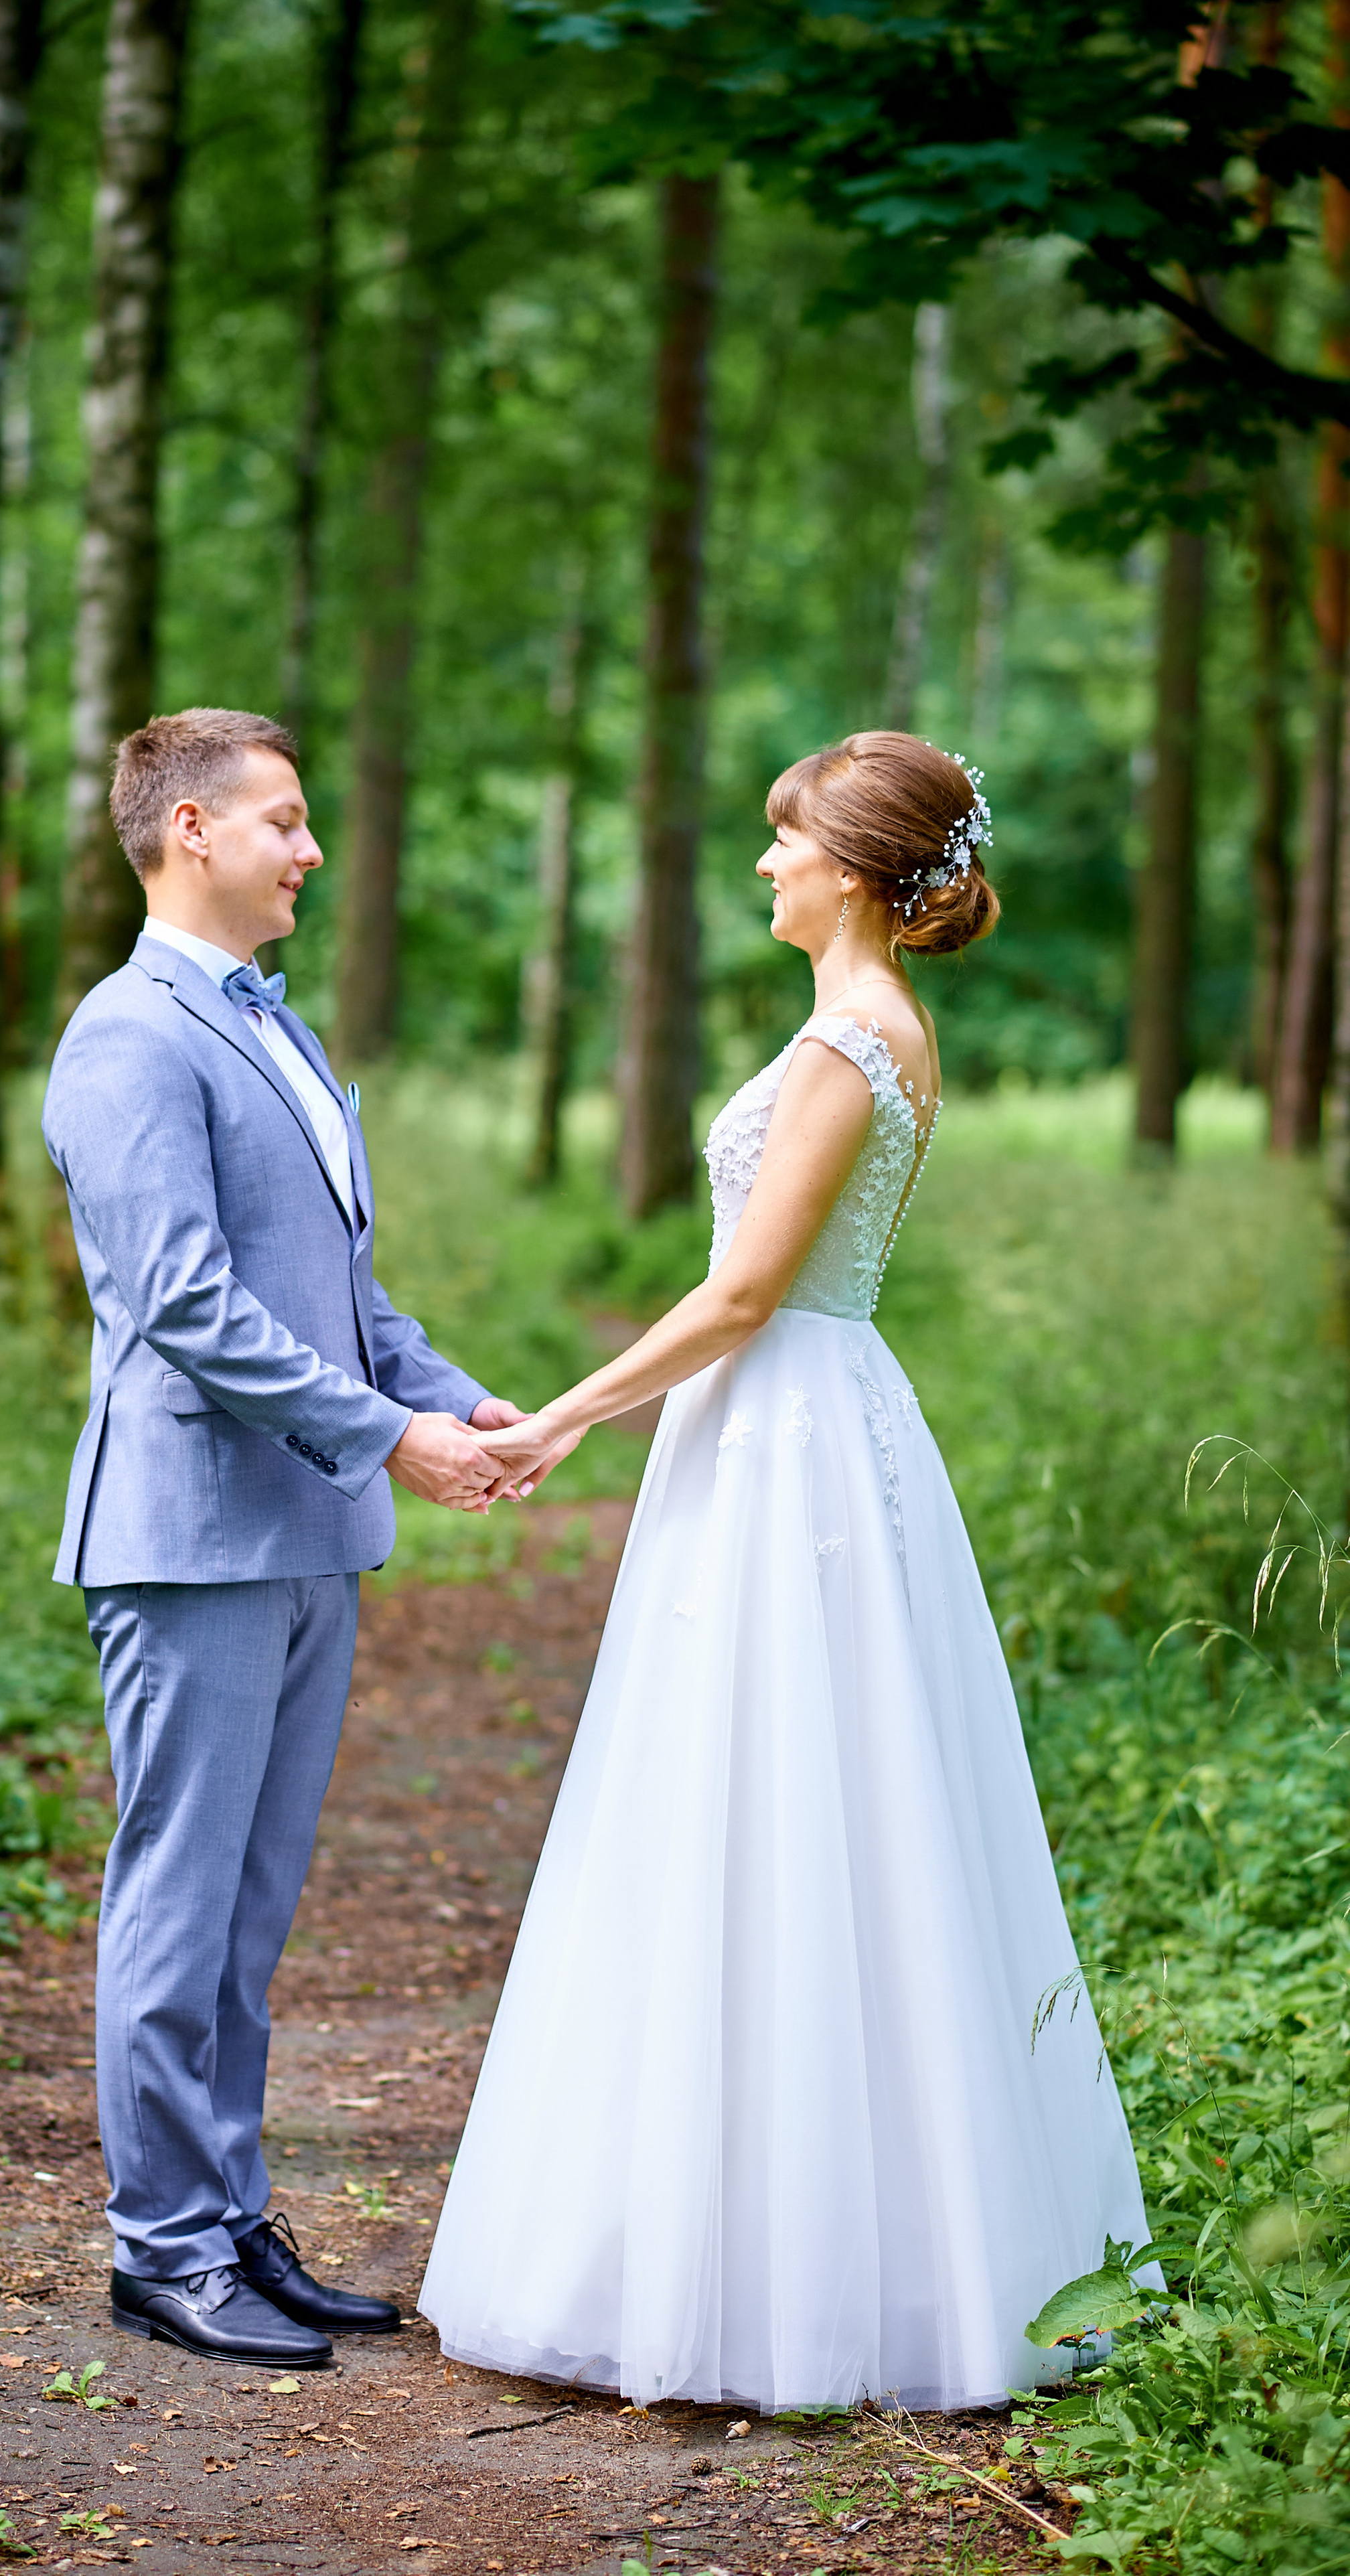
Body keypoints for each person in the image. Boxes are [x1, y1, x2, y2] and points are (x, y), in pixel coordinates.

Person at [420, 732, 1151, 2414]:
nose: (761, 864)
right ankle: (736, 2237)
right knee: (765, 1803)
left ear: (852, 862)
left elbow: (744, 1293)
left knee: (788, 1805)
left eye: (784, 840)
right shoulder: (865, 1027)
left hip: (788, 1428)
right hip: (786, 1427)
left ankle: (778, 2276)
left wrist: (567, 1422)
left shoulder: (850, 1038)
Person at [43, 706, 533, 2371]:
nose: (310, 851)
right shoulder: (127, 1035)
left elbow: (338, 1296)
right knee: (177, 1906)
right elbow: (184, 1302)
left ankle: (229, 2220)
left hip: (309, 1524)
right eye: (286, 822)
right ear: (191, 830)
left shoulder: (278, 1030)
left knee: (251, 1915)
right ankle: (158, 2248)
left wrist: (458, 1406)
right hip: (189, 1536)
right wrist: (383, 1432)